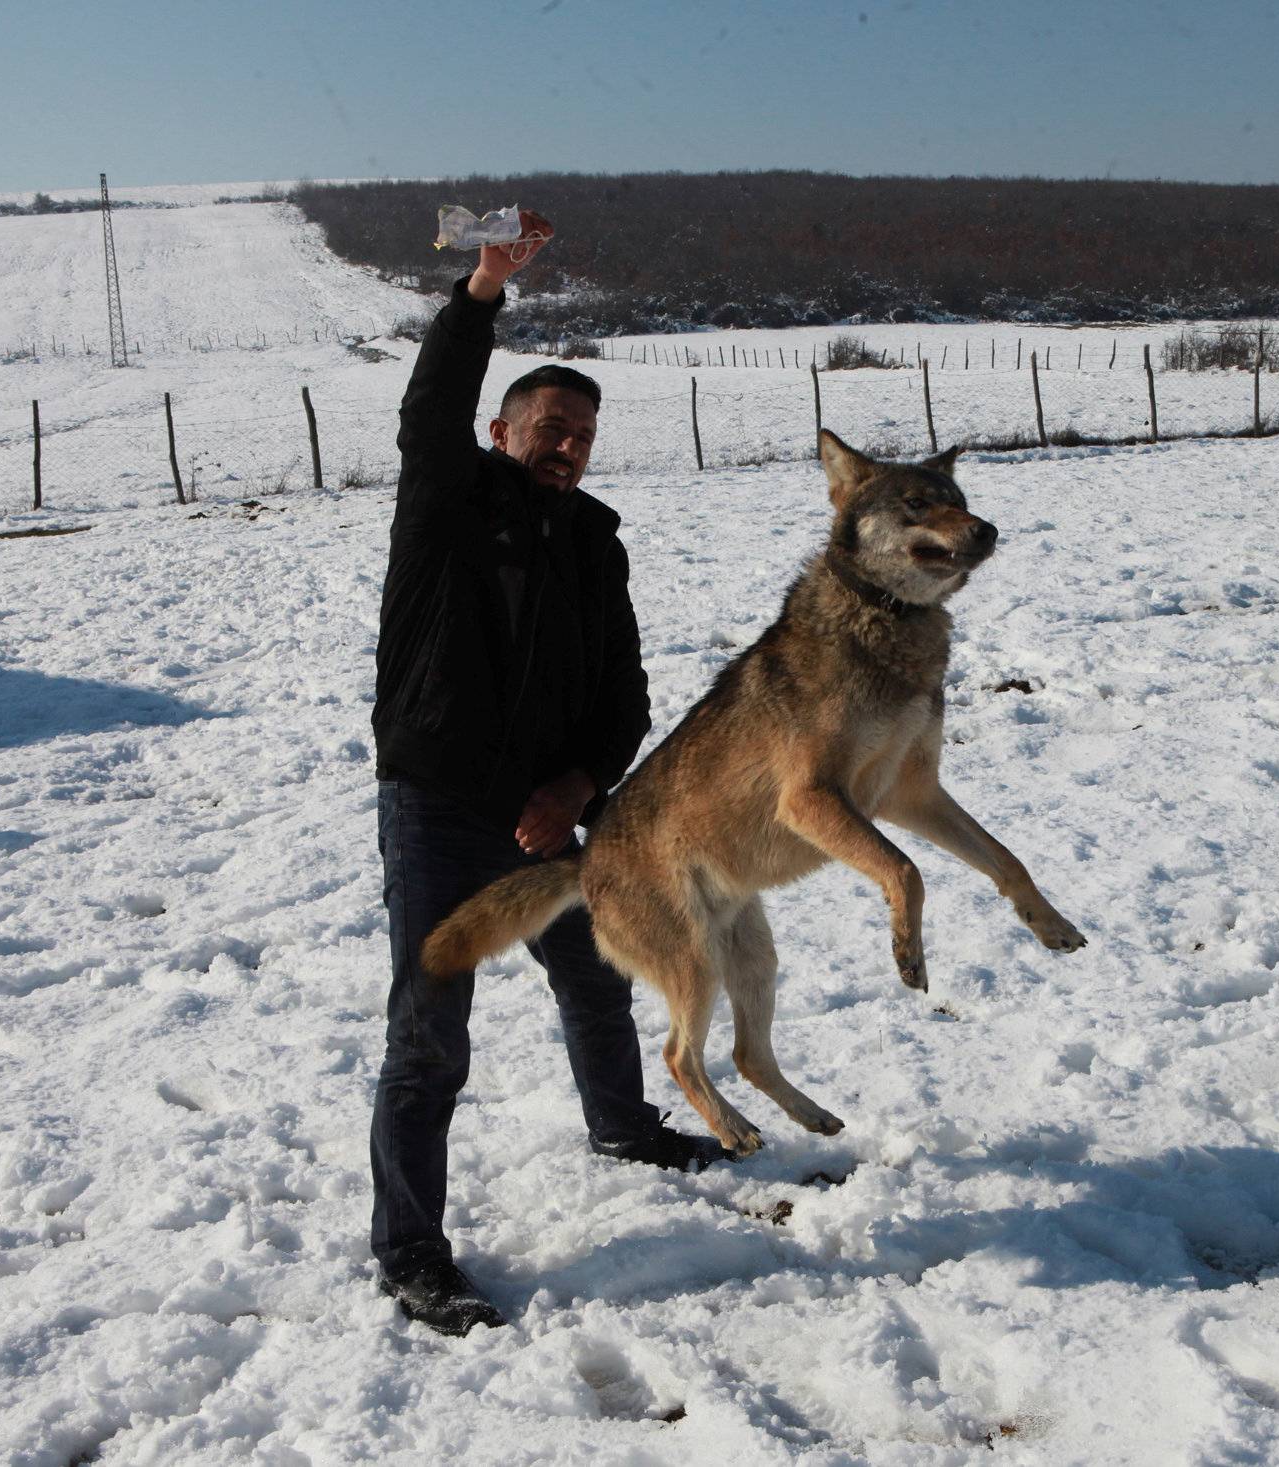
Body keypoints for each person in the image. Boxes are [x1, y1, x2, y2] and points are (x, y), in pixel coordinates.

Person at [369, 222, 725, 1337]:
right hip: (439, 809)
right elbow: (427, 410)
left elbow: (623, 690)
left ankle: (621, 1125)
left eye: (580, 435)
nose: (566, 446)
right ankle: (411, 1248)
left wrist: (577, 786)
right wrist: (480, 292)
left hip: (559, 818)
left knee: (597, 979)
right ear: (501, 431)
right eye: (548, 427)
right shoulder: (447, 503)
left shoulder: (594, 543)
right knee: (431, 1037)